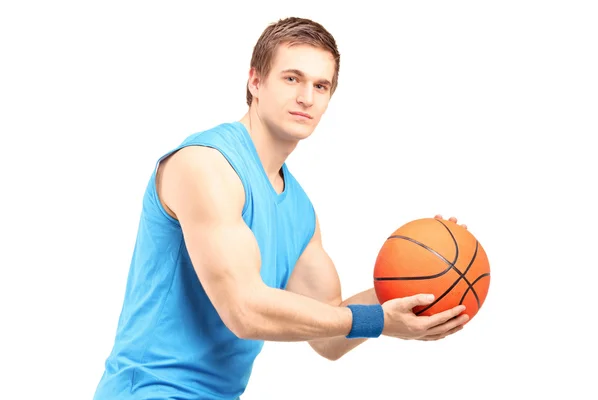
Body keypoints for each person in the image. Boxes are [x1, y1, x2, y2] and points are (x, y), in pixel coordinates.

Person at [93, 16, 469, 400]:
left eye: (320, 86)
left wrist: (418, 274)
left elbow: (330, 336)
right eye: (292, 78)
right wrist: (379, 321)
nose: (306, 97)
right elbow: (244, 310)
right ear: (255, 82)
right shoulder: (205, 165)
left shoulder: (300, 212)